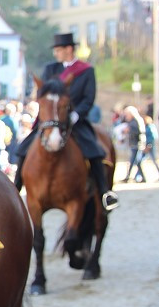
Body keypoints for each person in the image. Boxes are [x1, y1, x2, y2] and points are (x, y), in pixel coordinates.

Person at [12, 33, 119, 212]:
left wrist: (77, 114)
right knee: (24, 148)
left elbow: (88, 97)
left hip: (75, 119)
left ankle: (104, 192)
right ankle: (15, 189)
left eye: (59, 50)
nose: (56, 54)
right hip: (50, 119)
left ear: (69, 49)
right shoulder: (50, 69)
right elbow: (43, 93)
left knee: (94, 150)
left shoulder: (86, 71)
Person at [119, 106, 146, 183]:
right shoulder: (133, 121)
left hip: (136, 143)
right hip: (134, 143)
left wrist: (128, 130)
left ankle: (128, 176)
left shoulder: (135, 121)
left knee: (134, 161)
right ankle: (142, 177)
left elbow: (138, 132)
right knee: (136, 162)